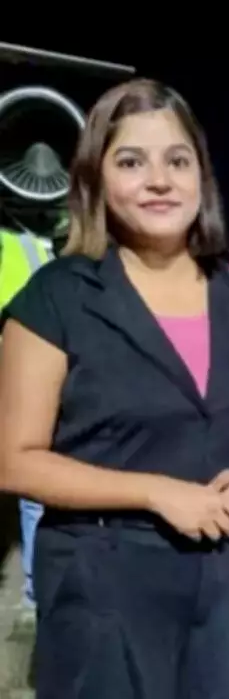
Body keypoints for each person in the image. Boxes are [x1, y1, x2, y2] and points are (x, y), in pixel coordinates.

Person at [0, 78, 229, 699]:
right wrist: (156, 493)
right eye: (131, 162)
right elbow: (14, 460)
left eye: (177, 161)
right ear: (96, 179)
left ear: (201, 178)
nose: (159, 180)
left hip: (225, 595)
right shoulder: (57, 299)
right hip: (106, 594)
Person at [0, 229, 51, 609]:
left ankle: (36, 592)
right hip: (25, 377)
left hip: (24, 376)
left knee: (33, 489)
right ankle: (36, 593)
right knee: (34, 493)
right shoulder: (31, 247)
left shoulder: (27, 246)